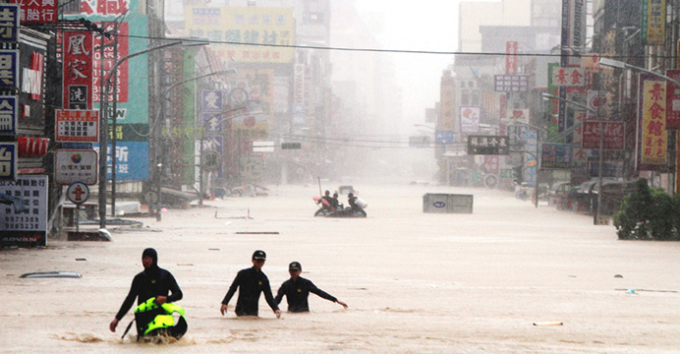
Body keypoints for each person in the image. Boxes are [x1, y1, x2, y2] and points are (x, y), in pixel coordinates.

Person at [109, 248, 183, 336]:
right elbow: (130, 299)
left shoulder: (165, 275)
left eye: (149, 258)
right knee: (144, 344)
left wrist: (166, 299)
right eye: (144, 258)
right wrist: (117, 318)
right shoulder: (139, 278)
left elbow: (179, 294)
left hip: (161, 316)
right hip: (143, 318)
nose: (146, 261)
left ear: (154, 259)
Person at [220, 250, 281, 318]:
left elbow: (268, 297)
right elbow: (233, 288)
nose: (260, 263)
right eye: (258, 260)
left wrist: (276, 309)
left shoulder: (264, 278)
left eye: (262, 261)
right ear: (252, 260)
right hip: (241, 309)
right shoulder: (242, 274)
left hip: (254, 310)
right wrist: (225, 302)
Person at [275, 261, 348, 313]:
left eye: (295, 270)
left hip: (304, 313)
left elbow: (319, 292)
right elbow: (278, 298)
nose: (293, 272)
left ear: (300, 271)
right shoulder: (286, 285)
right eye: (292, 270)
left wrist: (335, 300)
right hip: (291, 312)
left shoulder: (305, 283)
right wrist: (274, 308)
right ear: (289, 271)